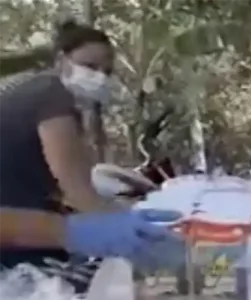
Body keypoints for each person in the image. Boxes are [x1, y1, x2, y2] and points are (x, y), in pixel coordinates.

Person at [0, 20, 173, 271]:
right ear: (61, 60)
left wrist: (120, 211)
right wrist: (133, 227)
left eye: (106, 71)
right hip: (17, 240)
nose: (99, 77)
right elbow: (77, 193)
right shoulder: (52, 92)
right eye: (89, 66)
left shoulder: (32, 90)